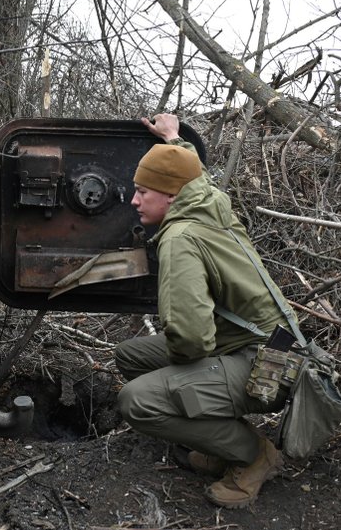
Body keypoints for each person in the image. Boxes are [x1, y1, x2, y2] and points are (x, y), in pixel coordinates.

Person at [115, 113, 297, 508]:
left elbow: (193, 339)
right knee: (131, 355)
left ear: (169, 196)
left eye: (142, 192)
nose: (133, 200)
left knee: (137, 400)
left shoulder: (179, 238)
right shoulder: (208, 202)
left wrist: (179, 373)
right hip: (270, 343)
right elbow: (191, 175)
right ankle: (217, 440)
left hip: (268, 364)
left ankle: (253, 455)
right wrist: (173, 139)